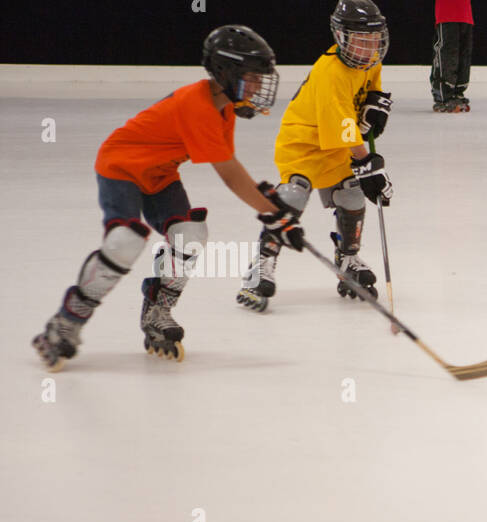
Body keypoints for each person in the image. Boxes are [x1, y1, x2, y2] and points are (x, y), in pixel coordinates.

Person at [32, 25, 302, 369]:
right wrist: (275, 216)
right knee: (124, 242)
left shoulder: (224, 109)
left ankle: (157, 309)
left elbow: (231, 163)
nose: (257, 87)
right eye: (251, 78)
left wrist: (269, 206)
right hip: (121, 166)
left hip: (159, 173)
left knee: (190, 235)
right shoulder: (199, 105)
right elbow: (230, 175)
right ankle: (66, 323)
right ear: (226, 73)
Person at [238, 0, 393, 310]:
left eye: (375, 40)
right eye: (362, 41)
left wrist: (373, 107)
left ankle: (347, 259)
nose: (370, 48)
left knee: (351, 195)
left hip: (335, 143)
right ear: (342, 38)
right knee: (292, 197)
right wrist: (367, 163)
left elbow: (365, 97)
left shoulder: (370, 61)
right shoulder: (330, 72)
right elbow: (347, 129)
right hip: (303, 143)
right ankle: (261, 265)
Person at [430, 0, 481, 113]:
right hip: (446, 17)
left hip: (466, 17)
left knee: (463, 57)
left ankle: (458, 92)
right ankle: (443, 95)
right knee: (446, 54)